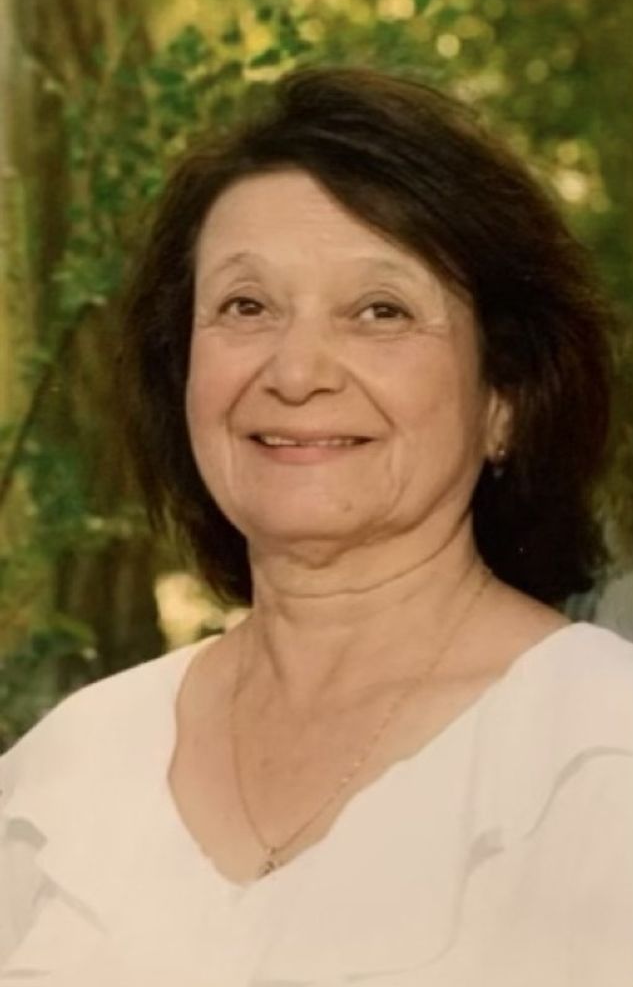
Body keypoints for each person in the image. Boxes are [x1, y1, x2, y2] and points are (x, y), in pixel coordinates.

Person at [1, 67, 631, 986]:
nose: (296, 373)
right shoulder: (68, 770)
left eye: (380, 311)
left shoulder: (598, 750)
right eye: (245, 307)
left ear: (504, 398)